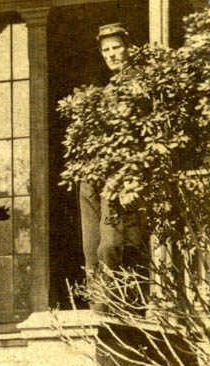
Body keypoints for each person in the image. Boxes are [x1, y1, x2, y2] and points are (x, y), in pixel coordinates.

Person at [79, 23, 146, 306]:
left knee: (110, 244)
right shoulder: (107, 89)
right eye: (106, 50)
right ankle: (98, 306)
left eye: (117, 47)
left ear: (129, 47)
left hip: (119, 178)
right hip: (95, 175)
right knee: (90, 247)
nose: (112, 54)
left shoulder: (141, 83)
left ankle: (112, 308)